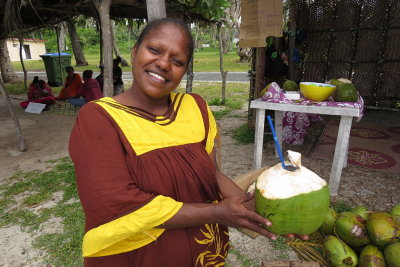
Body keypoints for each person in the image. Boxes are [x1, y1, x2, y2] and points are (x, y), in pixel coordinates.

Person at [69, 18, 307, 267]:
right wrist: (217, 212)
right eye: (154, 50)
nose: (163, 64)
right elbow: (114, 202)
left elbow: (212, 174)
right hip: (135, 257)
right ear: (134, 51)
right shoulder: (100, 118)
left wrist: (259, 211)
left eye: (177, 61)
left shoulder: (195, 107)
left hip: (205, 253)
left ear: (184, 70)